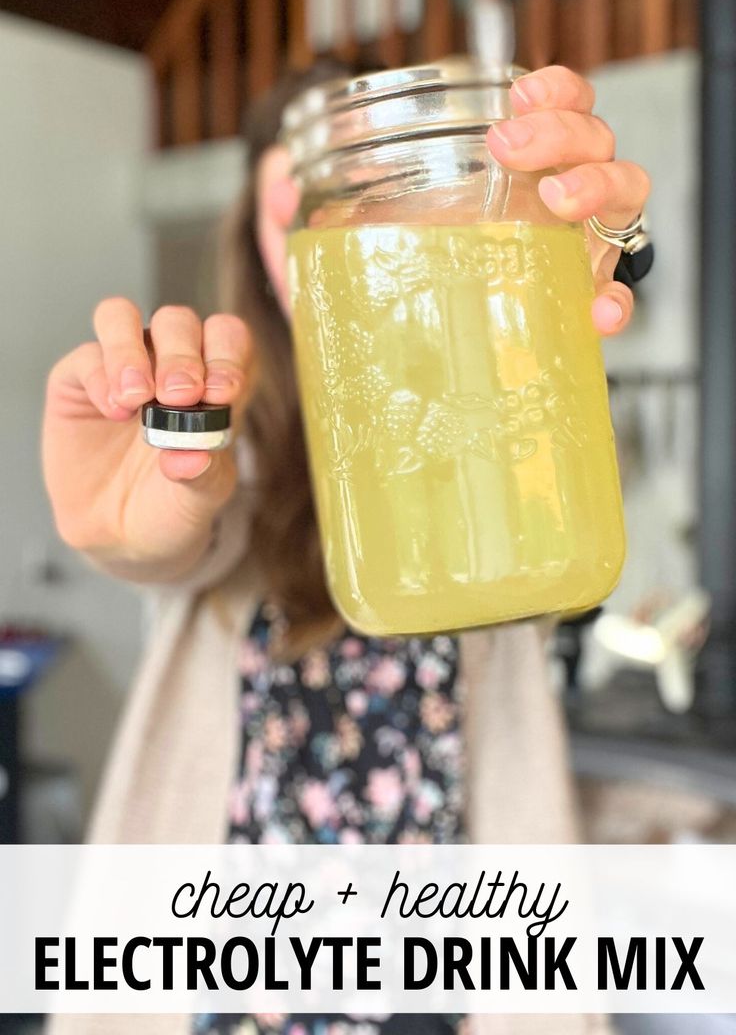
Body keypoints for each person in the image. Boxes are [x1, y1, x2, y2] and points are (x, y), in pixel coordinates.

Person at [43, 61, 650, 1035]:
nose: (338, 221)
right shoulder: (222, 430)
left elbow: (552, 549)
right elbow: (178, 545)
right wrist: (137, 514)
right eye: (307, 193)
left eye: (384, 188)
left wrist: (598, 246)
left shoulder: (480, 378)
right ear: (259, 222)